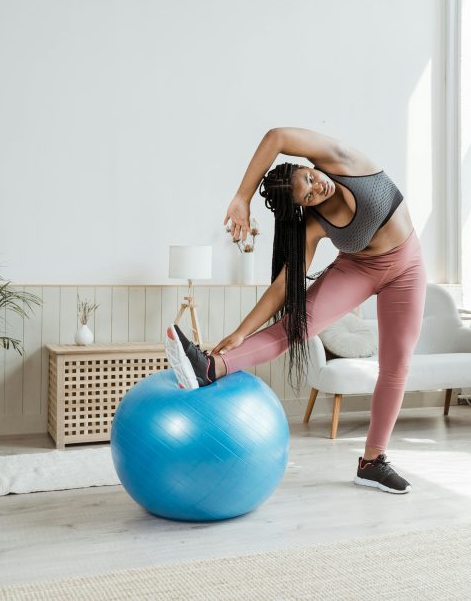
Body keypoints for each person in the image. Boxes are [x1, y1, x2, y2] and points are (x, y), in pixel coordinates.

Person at [164, 127, 426, 494]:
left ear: (307, 166)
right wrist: (241, 331)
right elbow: (284, 288)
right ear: (303, 207)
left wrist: (242, 197)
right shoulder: (314, 224)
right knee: (294, 326)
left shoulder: (342, 161)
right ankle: (208, 366)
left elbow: (277, 136)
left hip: (407, 267)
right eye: (309, 195)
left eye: (309, 177)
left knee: (397, 364)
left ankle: (372, 462)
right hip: (359, 269)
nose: (318, 187)